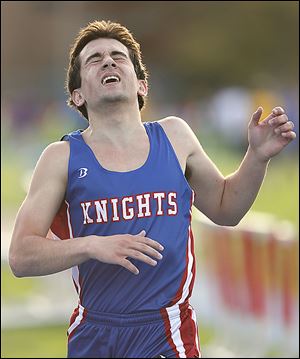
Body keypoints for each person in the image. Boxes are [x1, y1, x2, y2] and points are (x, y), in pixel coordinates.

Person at [9, 20, 296, 358]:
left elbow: (226, 209)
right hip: (95, 332)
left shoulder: (175, 136)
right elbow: (21, 256)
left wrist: (257, 157)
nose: (108, 61)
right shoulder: (61, 157)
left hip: (165, 331)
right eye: (94, 59)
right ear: (78, 95)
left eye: (118, 56)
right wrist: (91, 246)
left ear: (142, 85)